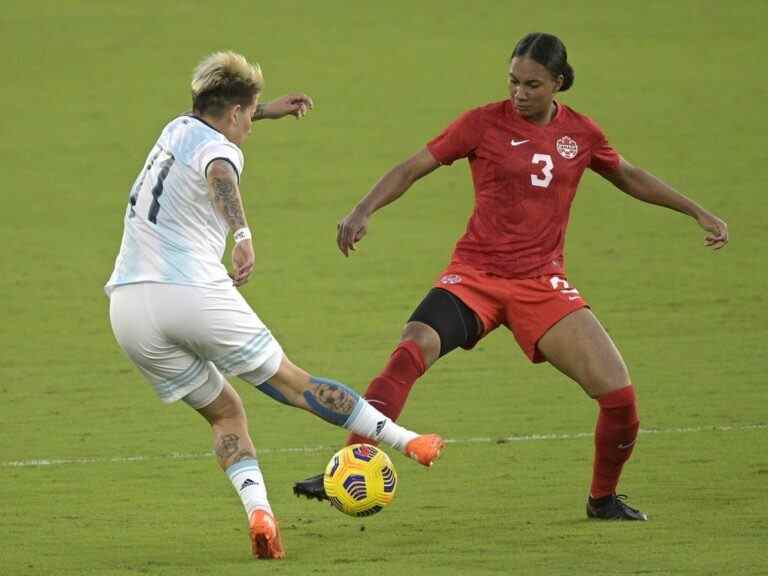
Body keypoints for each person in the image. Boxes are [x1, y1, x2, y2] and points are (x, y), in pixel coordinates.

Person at [293, 33, 729, 521]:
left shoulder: (581, 134)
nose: (519, 93)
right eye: (513, 81)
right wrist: (362, 209)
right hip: (474, 276)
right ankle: (349, 464)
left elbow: (629, 175)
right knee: (412, 347)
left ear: (558, 83)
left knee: (620, 398)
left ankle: (602, 499)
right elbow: (414, 166)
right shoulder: (482, 123)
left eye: (532, 85)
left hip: (542, 285)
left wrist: (697, 212)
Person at [105, 51, 444, 560]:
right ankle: (408, 440)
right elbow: (220, 170)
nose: (248, 128)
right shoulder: (220, 148)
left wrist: (268, 110)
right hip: (191, 293)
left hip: (129, 310)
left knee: (226, 412)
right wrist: (242, 234)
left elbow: (216, 122)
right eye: (250, 115)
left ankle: (261, 515)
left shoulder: (175, 129)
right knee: (292, 384)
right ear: (235, 113)